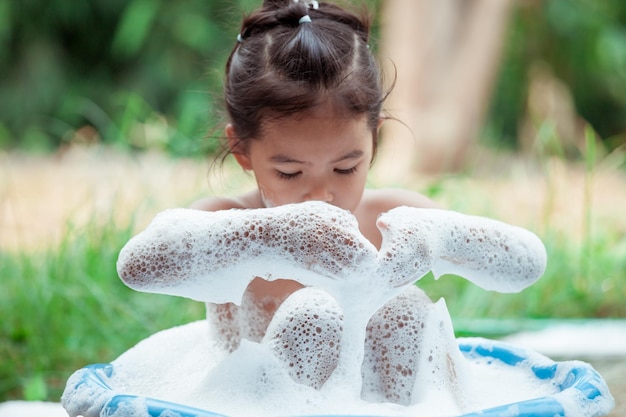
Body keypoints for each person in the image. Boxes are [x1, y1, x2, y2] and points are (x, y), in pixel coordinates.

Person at [190, 0, 444, 404]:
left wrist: (436, 243)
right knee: (313, 315)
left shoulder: (392, 219)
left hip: (374, 405)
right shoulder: (221, 222)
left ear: (374, 140)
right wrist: (264, 238)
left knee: (406, 312)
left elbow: (519, 259)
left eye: (346, 168)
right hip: (253, 406)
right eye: (290, 173)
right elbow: (137, 265)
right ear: (240, 149)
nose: (321, 195)